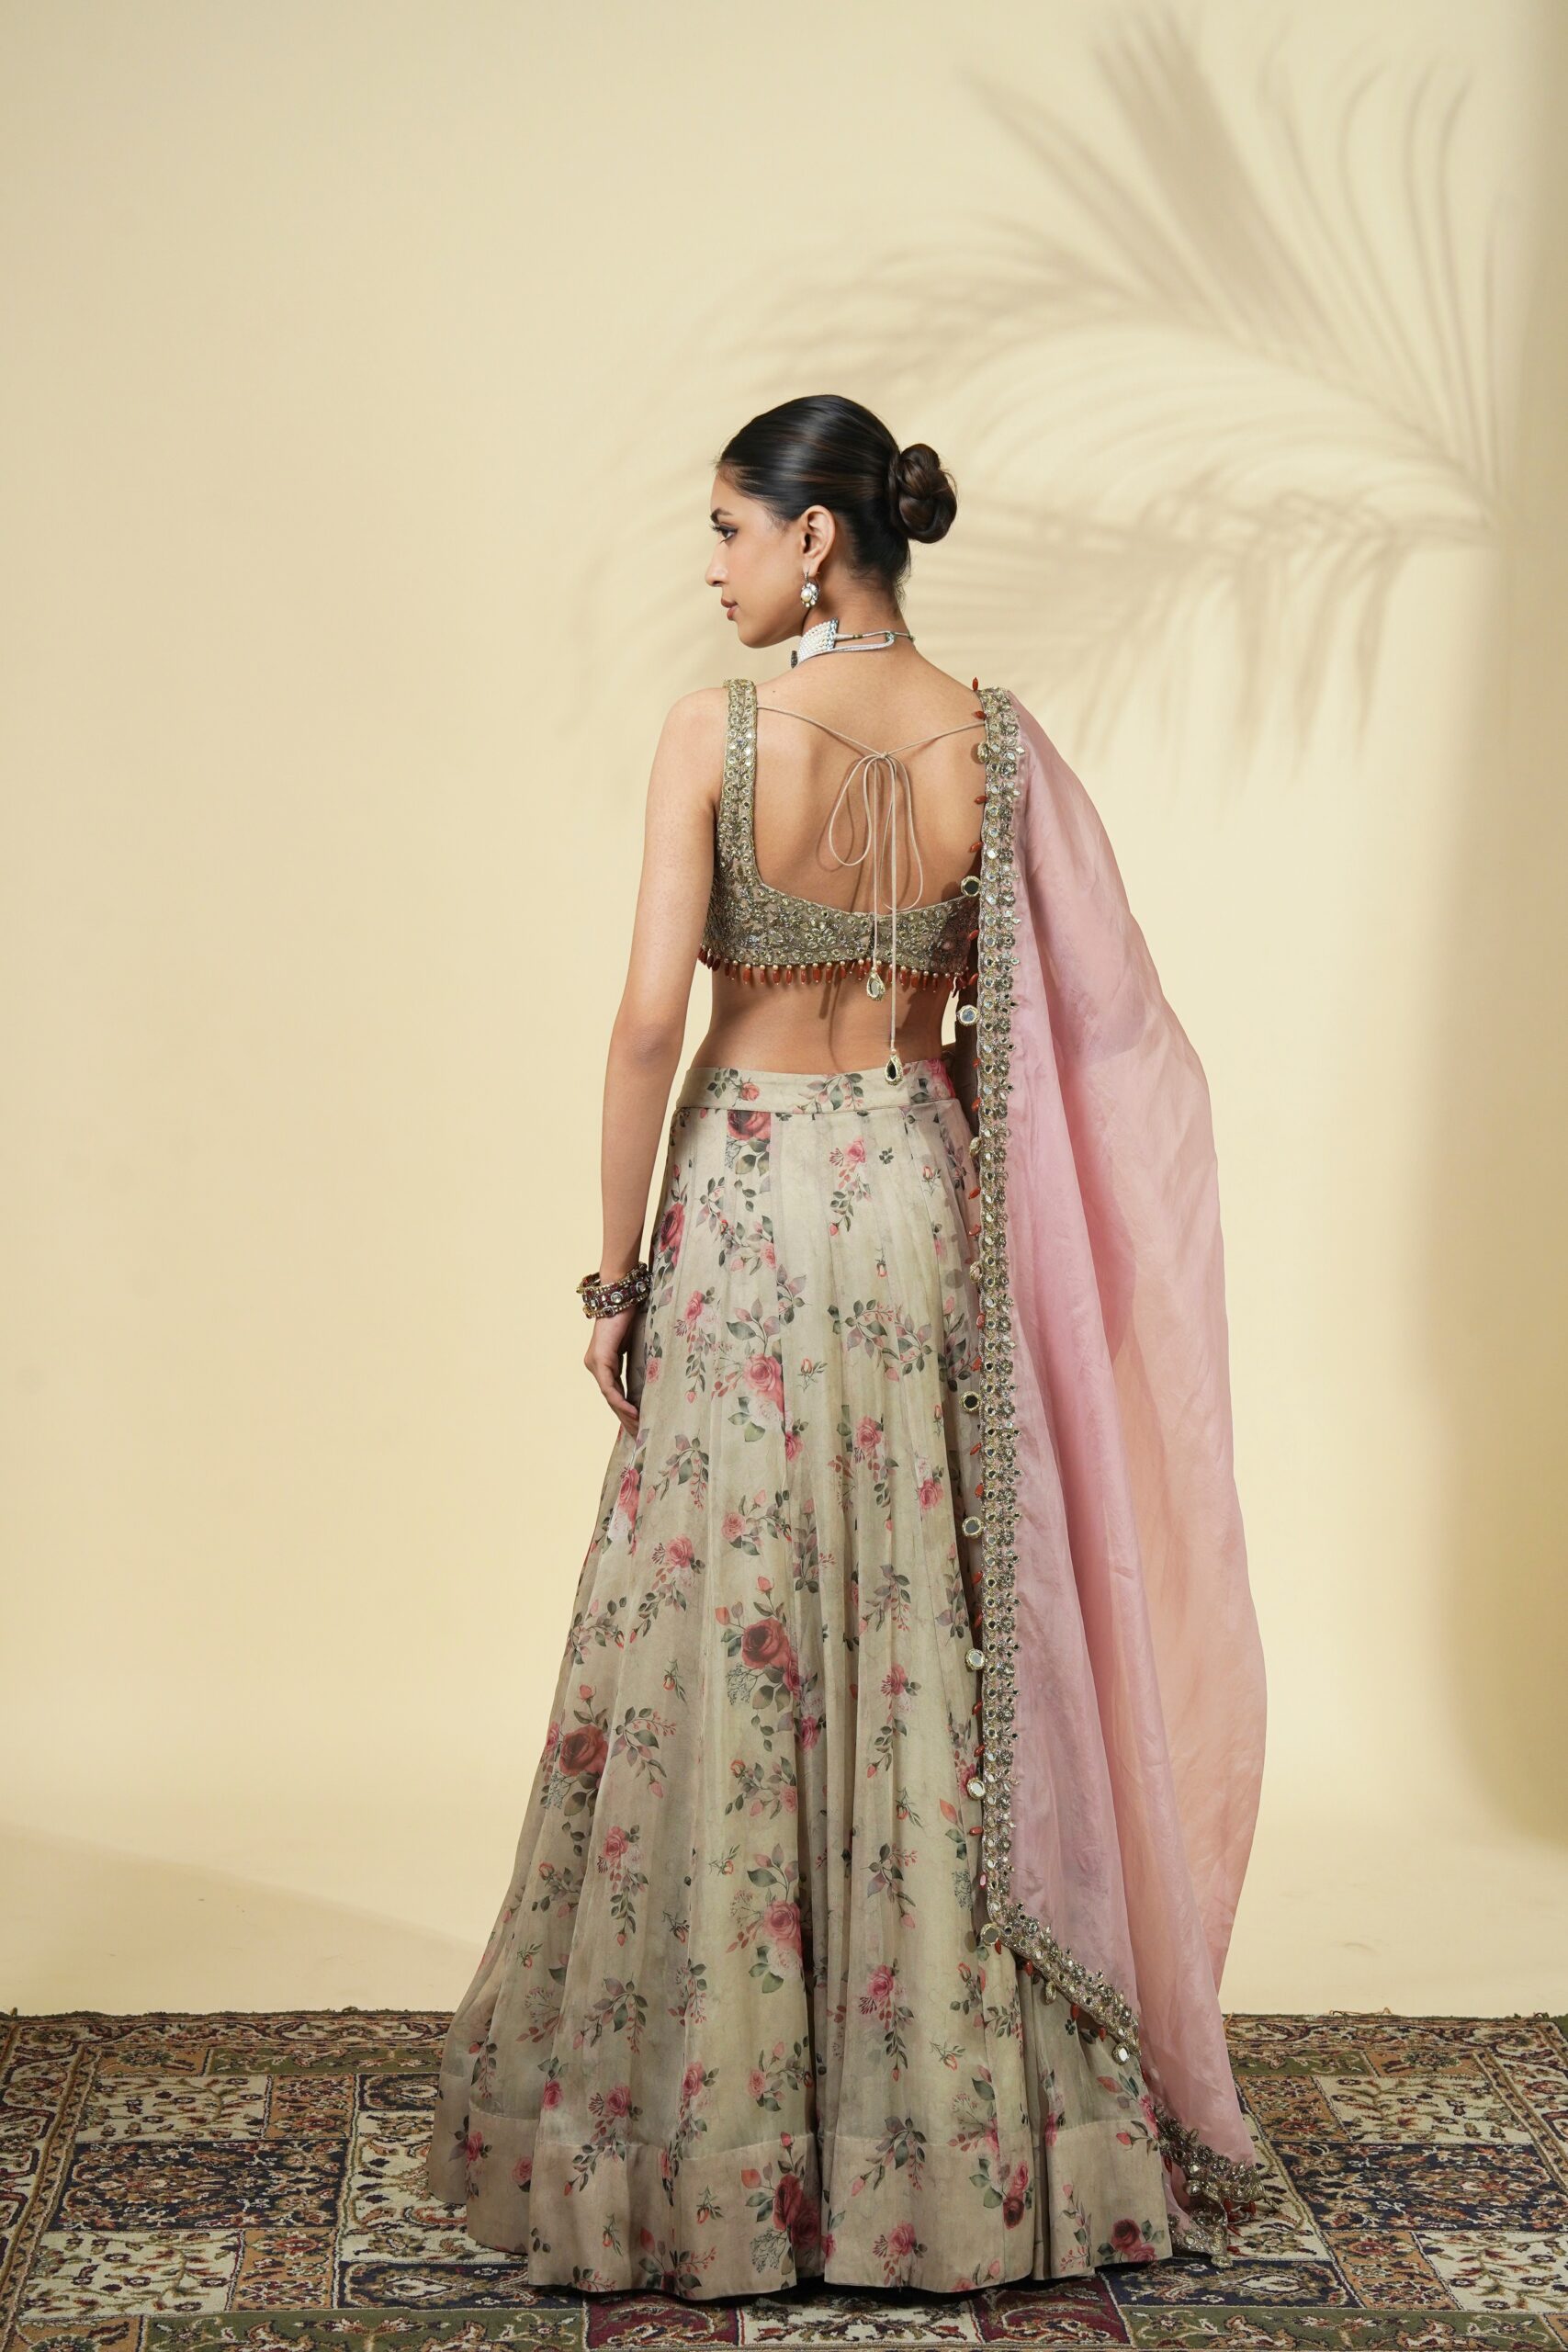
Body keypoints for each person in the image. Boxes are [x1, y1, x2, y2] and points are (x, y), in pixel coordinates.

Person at [424, 394, 1268, 2301]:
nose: (711, 565)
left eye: (729, 528)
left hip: (748, 1202)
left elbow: (650, 1023)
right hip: (917, 1196)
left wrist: (611, 1277)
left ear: (816, 541)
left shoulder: (712, 735)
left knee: (728, 1614)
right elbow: (1089, 1033)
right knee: (926, 1628)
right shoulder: (999, 742)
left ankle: (712, 2133)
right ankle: (960, 2132)